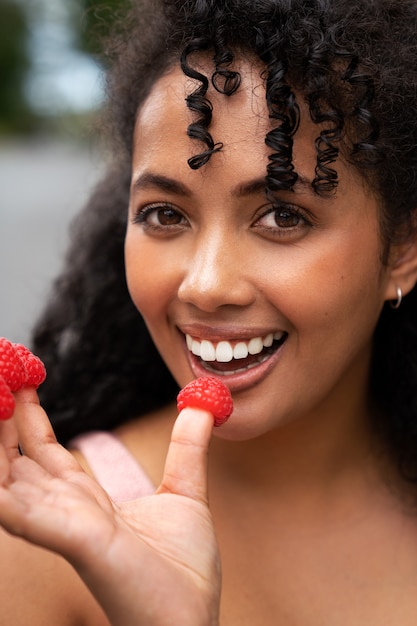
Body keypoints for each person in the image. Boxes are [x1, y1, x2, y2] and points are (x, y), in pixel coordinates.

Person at [1, 0, 417, 623]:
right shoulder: (42, 544)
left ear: (402, 251)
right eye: (166, 215)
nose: (206, 284)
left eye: (282, 215)